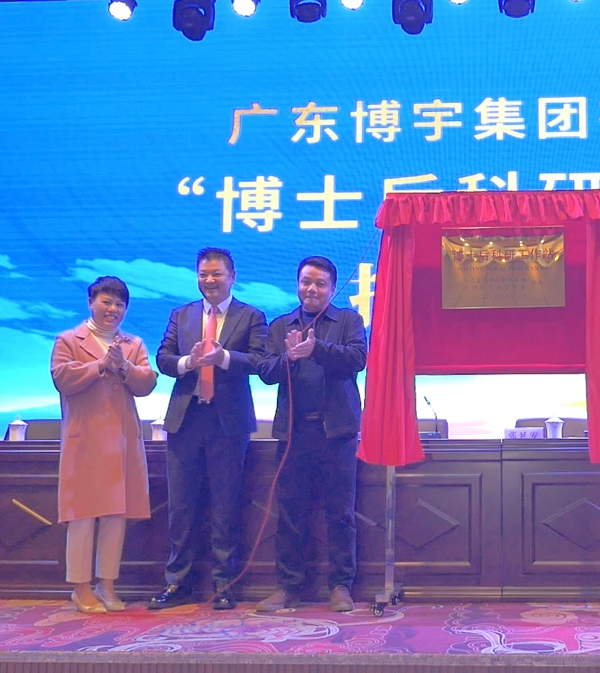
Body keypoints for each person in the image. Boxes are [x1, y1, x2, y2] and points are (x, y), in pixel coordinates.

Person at [148, 248, 268, 611]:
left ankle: (223, 584)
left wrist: (223, 358)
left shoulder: (251, 315)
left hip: (228, 422)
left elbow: (261, 361)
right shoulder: (181, 314)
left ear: (232, 276)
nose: (209, 281)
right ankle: (177, 583)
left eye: (216, 274)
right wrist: (190, 361)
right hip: (186, 419)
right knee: (181, 506)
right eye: (203, 274)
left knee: (226, 505)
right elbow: (163, 358)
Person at [255, 256, 367, 613]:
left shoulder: (348, 320)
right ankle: (289, 587)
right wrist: (289, 357)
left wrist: (316, 348)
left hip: (337, 432)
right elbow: (265, 371)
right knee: (291, 512)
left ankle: (341, 586)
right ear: (297, 284)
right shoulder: (281, 325)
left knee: (340, 513)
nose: (312, 289)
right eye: (306, 282)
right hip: (294, 432)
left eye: (320, 283)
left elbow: (358, 358)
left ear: (332, 289)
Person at [50, 276, 158, 613]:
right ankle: (80, 588)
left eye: (119, 304)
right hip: (85, 440)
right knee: (82, 516)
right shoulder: (69, 339)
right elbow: (62, 378)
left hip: (122, 442)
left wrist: (124, 366)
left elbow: (147, 383)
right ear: (90, 302)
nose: (112, 309)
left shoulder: (133, 343)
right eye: (106, 302)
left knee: (115, 515)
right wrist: (99, 365)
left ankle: (107, 585)